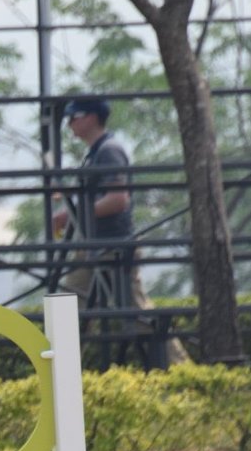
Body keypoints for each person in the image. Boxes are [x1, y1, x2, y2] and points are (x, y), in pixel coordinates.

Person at [54, 96, 187, 363]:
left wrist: (72, 214)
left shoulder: (109, 151)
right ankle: (60, 372)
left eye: (74, 117)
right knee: (68, 308)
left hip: (112, 245)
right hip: (94, 245)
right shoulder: (96, 153)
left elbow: (118, 199)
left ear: (92, 117)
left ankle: (182, 369)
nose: (69, 124)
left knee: (136, 313)